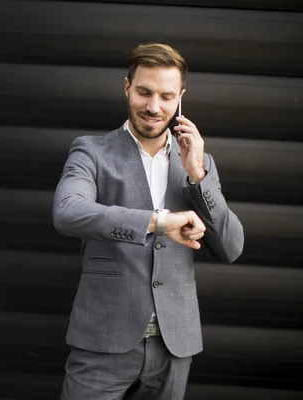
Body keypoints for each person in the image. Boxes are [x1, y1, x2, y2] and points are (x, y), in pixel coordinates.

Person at [52, 43, 244, 399]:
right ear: (127, 88)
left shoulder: (199, 163)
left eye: (166, 96)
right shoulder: (91, 151)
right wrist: (158, 221)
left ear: (180, 98)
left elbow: (232, 247)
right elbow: (68, 212)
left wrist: (198, 175)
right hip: (104, 340)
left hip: (175, 346)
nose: (154, 107)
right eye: (144, 92)